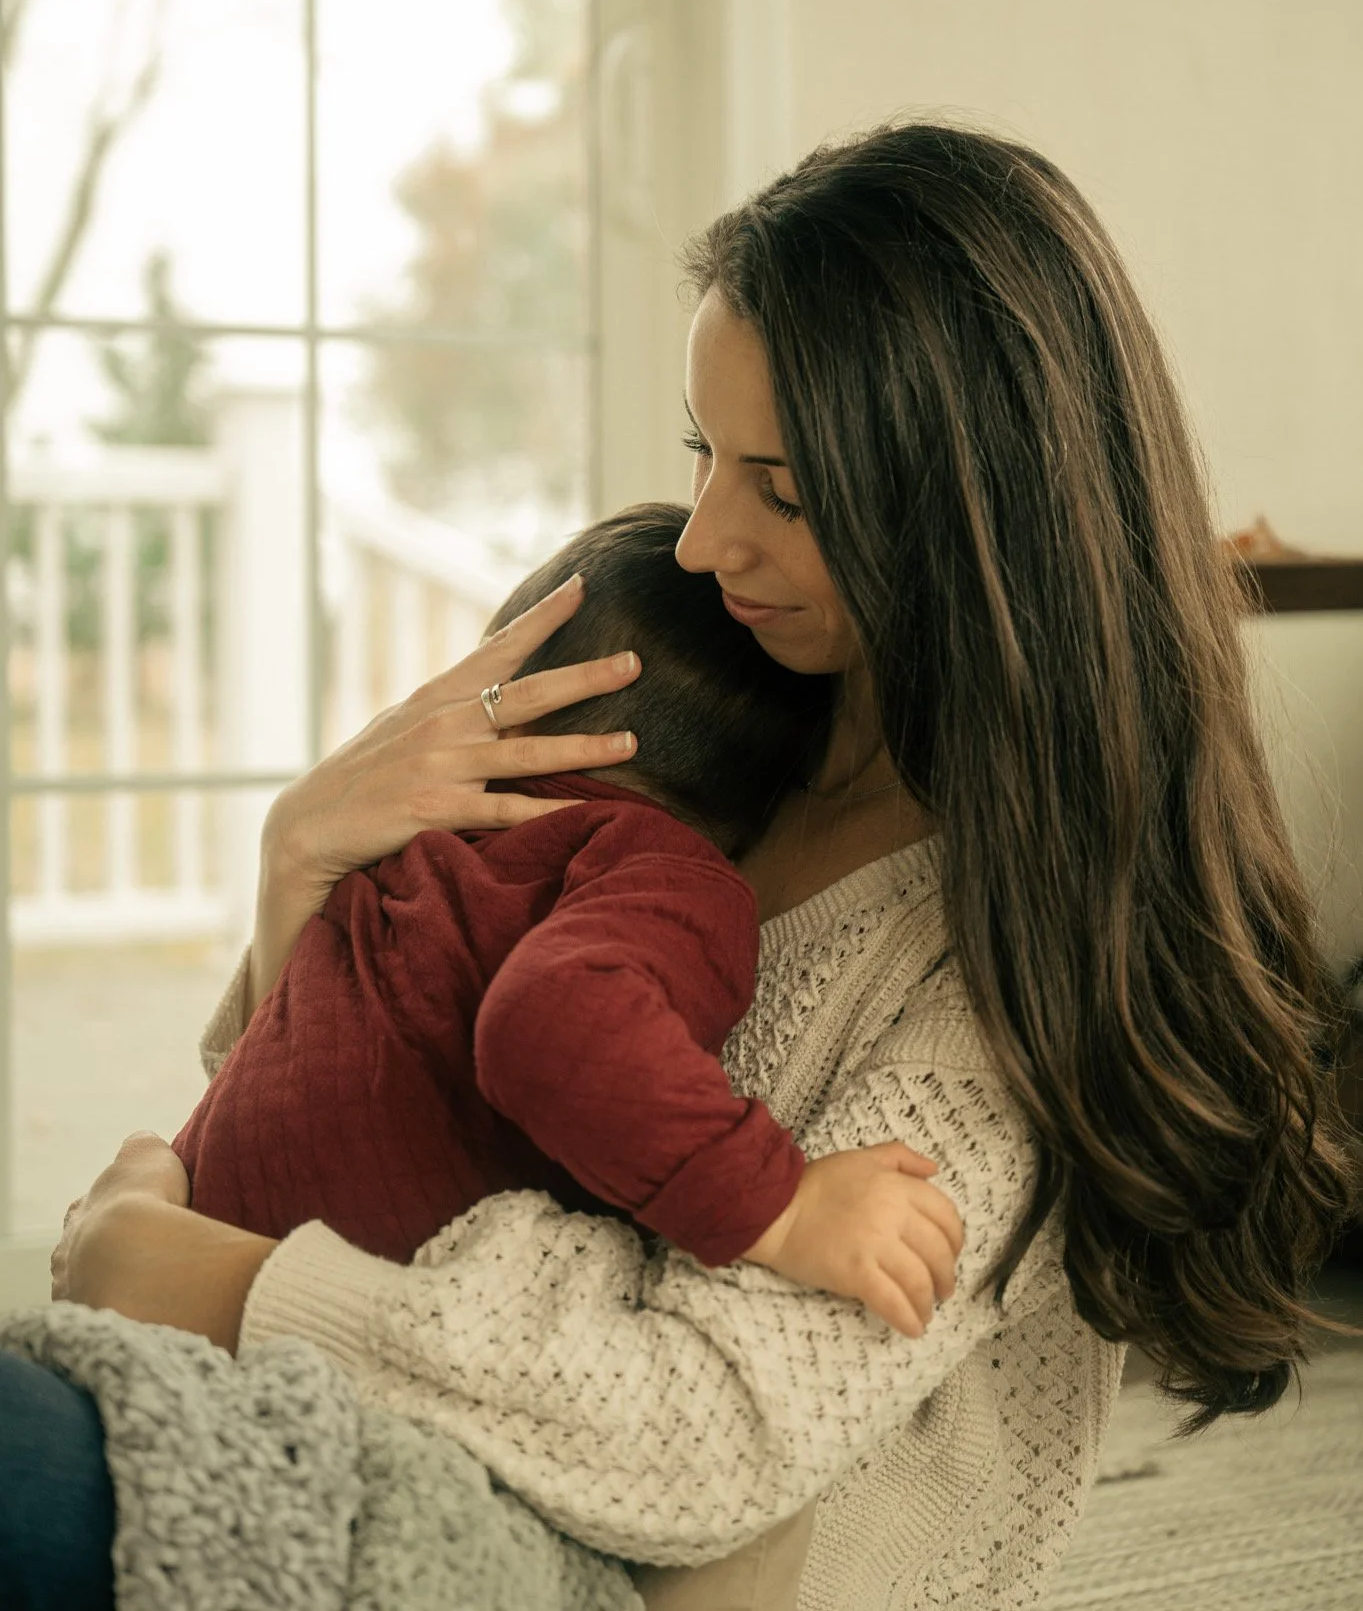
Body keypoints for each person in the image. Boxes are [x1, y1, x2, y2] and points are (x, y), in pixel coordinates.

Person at [22, 123, 1358, 1611]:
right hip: (423, 1446)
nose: (708, 538)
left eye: (782, 491)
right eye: (700, 455)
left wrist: (192, 1280)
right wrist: (299, 873)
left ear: (976, 512)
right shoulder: (710, 746)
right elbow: (365, 1108)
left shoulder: (1012, 969)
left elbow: (697, 1439)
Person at [174, 502, 961, 1335]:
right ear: (770, 791)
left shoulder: (411, 850)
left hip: (195, 1249)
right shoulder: (663, 872)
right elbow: (557, 1020)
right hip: (333, 1336)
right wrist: (782, 1206)